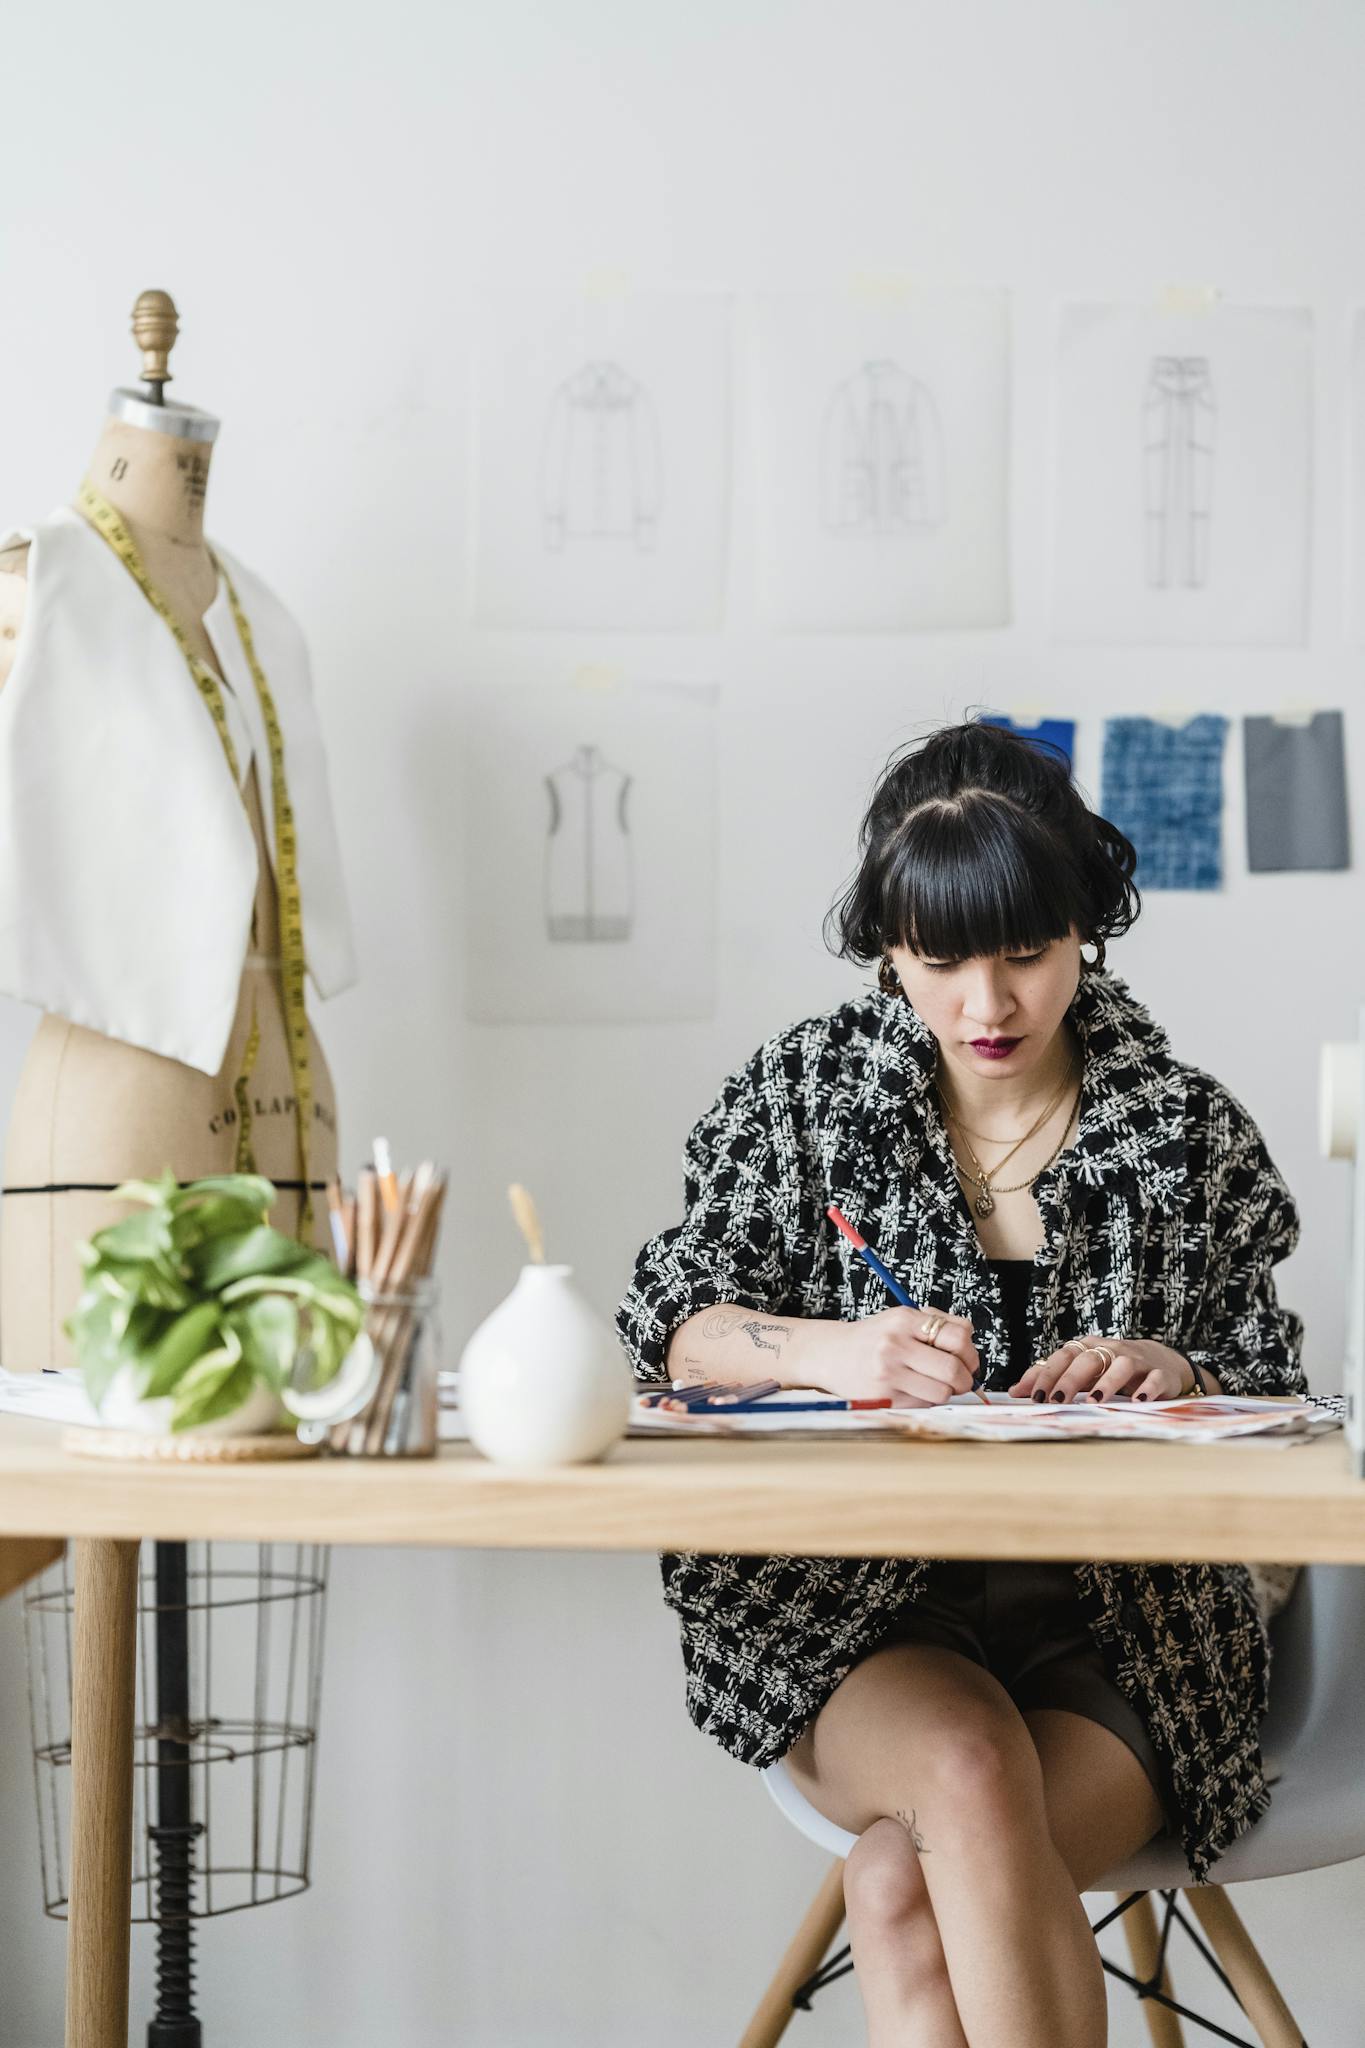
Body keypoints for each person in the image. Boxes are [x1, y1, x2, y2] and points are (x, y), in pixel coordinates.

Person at [616, 720, 1305, 2048]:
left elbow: (1276, 1389)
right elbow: (664, 1320)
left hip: (1129, 1635)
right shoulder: (801, 1098)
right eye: (940, 962)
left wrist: (1178, 1367)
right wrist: (825, 1353)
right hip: (852, 1620)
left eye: (1024, 955)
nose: (985, 1006)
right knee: (965, 1766)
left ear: (1081, 932)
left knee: (895, 1880)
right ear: (888, 947)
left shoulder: (1183, 1128)